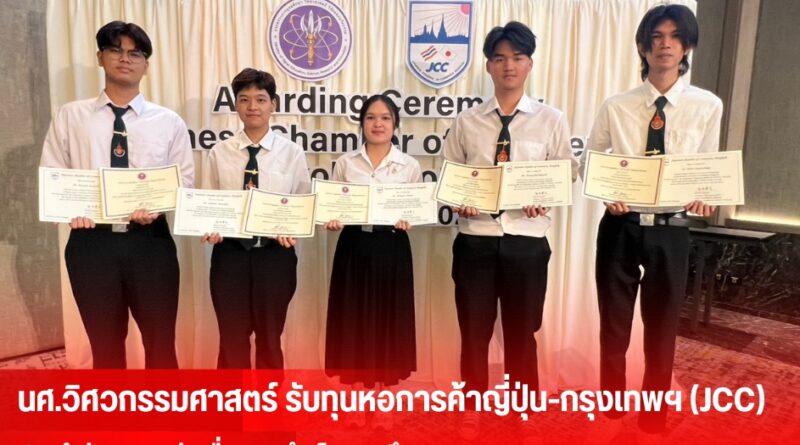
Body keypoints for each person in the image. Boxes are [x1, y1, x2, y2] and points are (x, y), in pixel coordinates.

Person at [581, 4, 723, 443]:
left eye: (675, 36)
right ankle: (611, 413)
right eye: (656, 37)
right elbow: (592, 160)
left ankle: (653, 421)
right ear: (643, 47)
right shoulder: (617, 105)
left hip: (672, 228)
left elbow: (707, 165)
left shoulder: (707, 106)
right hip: (619, 227)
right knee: (614, 327)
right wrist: (607, 191)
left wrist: (708, 194)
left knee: (662, 332)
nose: (665, 44)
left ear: (687, 46)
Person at [442, 21, 578, 440]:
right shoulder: (467, 121)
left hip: (527, 240)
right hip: (476, 239)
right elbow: (451, 173)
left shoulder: (551, 120)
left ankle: (523, 407)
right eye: (500, 58)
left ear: (529, 64)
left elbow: (566, 171)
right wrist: (459, 197)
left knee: (522, 332)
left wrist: (545, 195)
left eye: (517, 57)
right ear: (488, 66)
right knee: (474, 332)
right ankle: (472, 406)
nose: (509, 66)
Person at [40, 21, 194, 369]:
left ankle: (163, 405)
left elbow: (183, 181)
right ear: (100, 57)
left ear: (146, 64)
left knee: (161, 345)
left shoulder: (168, 121)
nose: (125, 59)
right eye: (115, 50)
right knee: (105, 348)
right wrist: (71, 209)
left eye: (135, 53)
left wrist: (158, 207)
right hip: (91, 243)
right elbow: (53, 173)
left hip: (150, 244)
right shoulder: (70, 116)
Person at [201, 68, 310, 370]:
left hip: (275, 257)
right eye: (244, 99)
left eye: (260, 99)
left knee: (270, 339)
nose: (253, 107)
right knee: (231, 339)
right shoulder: (220, 152)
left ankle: (268, 399)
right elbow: (209, 202)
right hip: (229, 256)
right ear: (235, 104)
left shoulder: (292, 153)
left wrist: (293, 227)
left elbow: (302, 203)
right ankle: (232, 399)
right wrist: (210, 226)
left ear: (273, 104)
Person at [323, 94, 420, 429]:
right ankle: (357, 399)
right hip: (354, 246)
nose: (378, 124)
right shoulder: (346, 163)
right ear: (362, 123)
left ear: (395, 124)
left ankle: (383, 401)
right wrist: (332, 218)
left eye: (385, 118)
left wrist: (410, 217)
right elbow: (332, 206)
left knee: (387, 321)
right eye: (371, 117)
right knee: (354, 319)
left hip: (392, 248)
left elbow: (415, 208)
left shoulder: (409, 165)